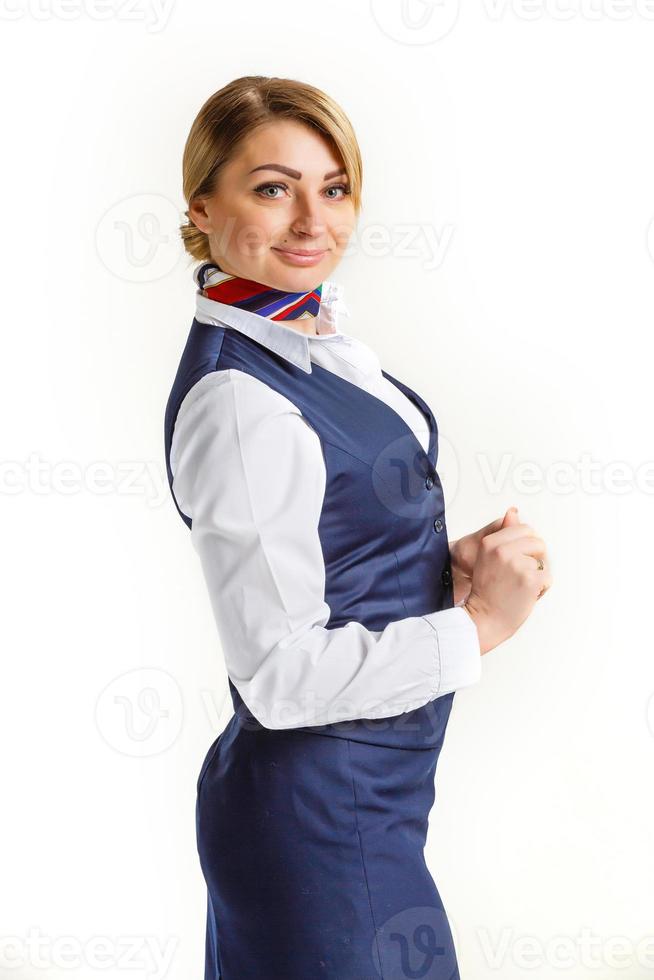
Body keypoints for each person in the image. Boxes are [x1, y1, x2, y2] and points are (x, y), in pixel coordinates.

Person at [163, 75, 552, 980]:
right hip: (319, 830)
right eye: (273, 187)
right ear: (202, 205)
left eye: (332, 188)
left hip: (363, 808)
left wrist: (432, 570)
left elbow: (332, 549)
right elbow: (278, 675)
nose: (312, 221)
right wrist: (480, 625)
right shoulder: (238, 401)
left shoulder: (302, 339)